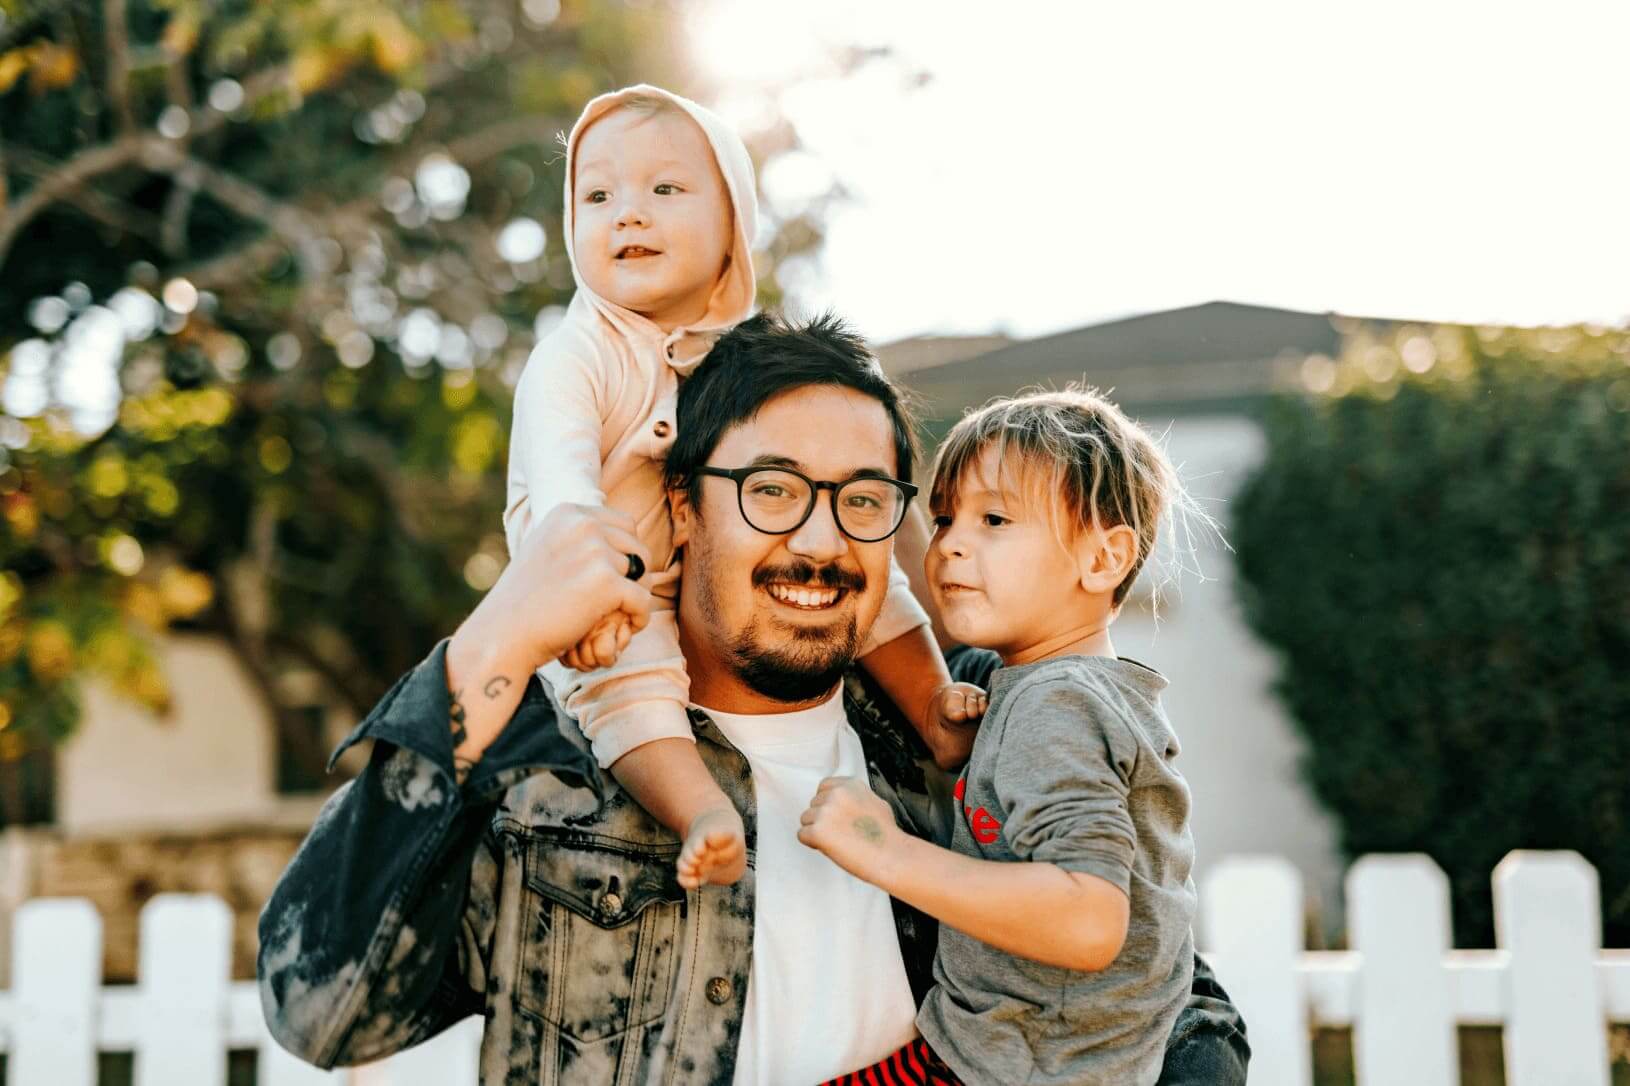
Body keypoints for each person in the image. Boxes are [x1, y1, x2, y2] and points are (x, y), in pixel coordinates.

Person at [257, 313, 1249, 1084]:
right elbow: (322, 1010)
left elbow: (1157, 979)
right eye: (772, 489)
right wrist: (496, 638)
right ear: (682, 507)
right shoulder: (542, 762)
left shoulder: (957, 729)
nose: (820, 542)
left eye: (862, 500)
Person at [504, 85, 982, 891]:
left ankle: (934, 709)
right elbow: (562, 493)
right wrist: (589, 598)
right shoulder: (577, 355)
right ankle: (700, 809)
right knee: (631, 689)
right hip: (605, 593)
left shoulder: (746, 361)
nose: (628, 214)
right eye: (597, 196)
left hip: (683, 575)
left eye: (664, 190)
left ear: (733, 224)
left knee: (872, 576)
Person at [804, 389, 1212, 1084]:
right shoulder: (1074, 691)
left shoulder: (1054, 704)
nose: (952, 542)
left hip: (1008, 1066)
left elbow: (1089, 919)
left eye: (994, 518)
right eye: (943, 517)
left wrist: (883, 851)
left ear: (1104, 559)